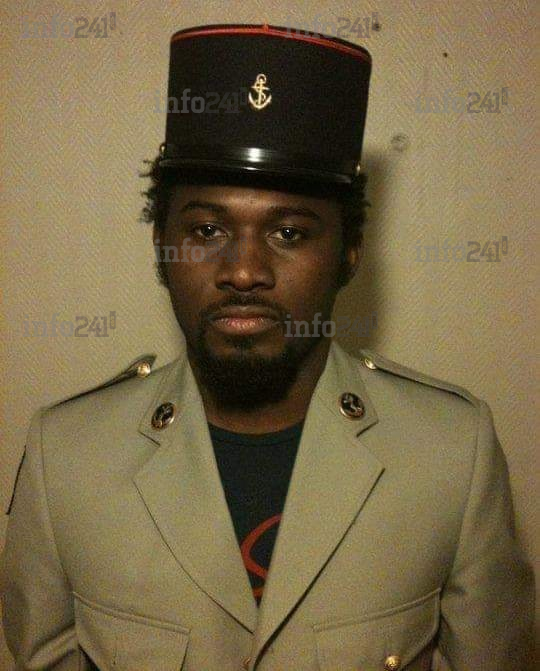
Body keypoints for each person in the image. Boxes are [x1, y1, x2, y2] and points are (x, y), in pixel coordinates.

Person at [1, 23, 534, 671]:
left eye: (289, 232)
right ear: (161, 248)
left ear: (349, 253)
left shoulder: (452, 453)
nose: (244, 270)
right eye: (206, 229)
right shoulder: (66, 459)